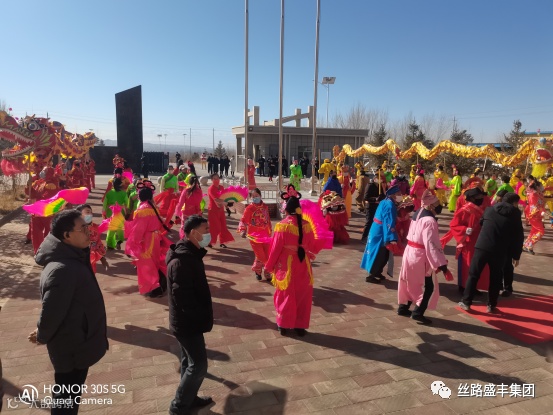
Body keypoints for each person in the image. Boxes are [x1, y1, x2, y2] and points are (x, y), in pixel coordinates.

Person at [29, 209, 108, 413]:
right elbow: (51, 312)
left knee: (69, 397)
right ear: (66, 235)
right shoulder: (62, 269)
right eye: (83, 228)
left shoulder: (72, 257)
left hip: (77, 343)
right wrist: (41, 334)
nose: (89, 232)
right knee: (66, 400)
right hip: (72, 349)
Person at [166, 215, 214, 415]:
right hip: (187, 323)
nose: (209, 234)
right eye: (205, 230)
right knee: (199, 365)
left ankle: (189, 398)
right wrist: (199, 317)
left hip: (188, 320)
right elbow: (183, 298)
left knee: (188, 362)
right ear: (193, 233)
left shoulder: (191, 254)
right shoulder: (182, 262)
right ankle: (178, 406)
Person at [264, 187, 317, 336]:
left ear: (286, 210)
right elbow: (312, 245)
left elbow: (275, 249)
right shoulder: (307, 225)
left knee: (285, 295)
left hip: (286, 265)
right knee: (303, 295)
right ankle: (300, 326)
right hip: (303, 263)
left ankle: (284, 324)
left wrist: (269, 266)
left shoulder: (282, 226)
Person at [459, 193, 524, 313]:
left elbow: (482, 223)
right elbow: (518, 236)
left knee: (473, 275)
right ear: (514, 203)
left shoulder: (489, 210)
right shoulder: (515, 214)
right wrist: (516, 255)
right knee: (495, 277)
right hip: (500, 249)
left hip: (483, 246)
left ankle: (466, 302)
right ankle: (491, 305)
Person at [397, 191, 453, 324]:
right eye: (437, 204)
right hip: (420, 255)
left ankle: (403, 308)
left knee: (408, 280)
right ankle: (418, 312)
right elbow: (431, 244)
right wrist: (442, 265)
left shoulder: (418, 213)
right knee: (428, 286)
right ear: (430, 205)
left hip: (410, 251)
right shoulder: (430, 221)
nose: (439, 206)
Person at [125, 185, 170, 298]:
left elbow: (138, 229)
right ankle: (161, 285)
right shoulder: (152, 207)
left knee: (147, 264)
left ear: (140, 197)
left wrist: (133, 244)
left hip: (147, 240)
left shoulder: (142, 210)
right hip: (155, 237)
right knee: (154, 262)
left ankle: (155, 288)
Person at [441, 188, 489, 292]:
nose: (481, 198)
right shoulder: (464, 210)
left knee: (478, 264)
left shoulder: (481, 209)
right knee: (467, 264)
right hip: (467, 242)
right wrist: (465, 230)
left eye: (482, 196)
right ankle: (464, 286)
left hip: (479, 240)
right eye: (479, 197)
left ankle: (474, 286)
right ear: (472, 198)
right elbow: (454, 225)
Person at [361, 185, 402, 284]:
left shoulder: (385, 201)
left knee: (384, 254)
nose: (400, 196)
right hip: (381, 232)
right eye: (399, 194)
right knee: (379, 254)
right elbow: (388, 222)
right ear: (393, 195)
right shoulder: (390, 205)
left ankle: (377, 272)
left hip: (377, 229)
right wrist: (391, 238)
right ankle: (371, 275)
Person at [238, 188, 273, 281]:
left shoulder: (265, 206)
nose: (255, 198)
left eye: (256, 195)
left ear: (260, 196)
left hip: (266, 235)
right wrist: (242, 230)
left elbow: (268, 219)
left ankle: (262, 271)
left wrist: (270, 230)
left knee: (267, 254)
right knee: (261, 255)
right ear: (250, 198)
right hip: (254, 236)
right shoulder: (249, 208)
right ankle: (267, 269)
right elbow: (243, 220)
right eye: (253, 196)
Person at [76, 204, 109, 273]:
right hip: (77, 261)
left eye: (91, 212)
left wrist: (103, 259)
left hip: (91, 261)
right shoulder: (74, 229)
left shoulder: (95, 227)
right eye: (87, 212)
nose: (90, 214)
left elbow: (98, 243)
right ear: (79, 215)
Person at [207, 174, 235, 248]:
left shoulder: (221, 187)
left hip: (221, 210)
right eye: (214, 179)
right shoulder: (211, 189)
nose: (216, 180)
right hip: (213, 210)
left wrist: (227, 208)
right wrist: (227, 204)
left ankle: (222, 242)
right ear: (212, 180)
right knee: (215, 227)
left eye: (217, 178)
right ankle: (210, 241)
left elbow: (224, 198)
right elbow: (216, 199)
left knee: (223, 226)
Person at [102, 178, 128, 249]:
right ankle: (119, 241)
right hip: (120, 213)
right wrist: (126, 212)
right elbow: (127, 204)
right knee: (120, 229)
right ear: (121, 184)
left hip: (110, 212)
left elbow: (104, 204)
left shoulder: (109, 193)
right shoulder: (124, 193)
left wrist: (104, 212)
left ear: (113, 185)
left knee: (111, 229)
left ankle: (110, 245)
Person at [522, 178, 546, 255]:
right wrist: (542, 212)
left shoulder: (539, 194)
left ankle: (525, 245)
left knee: (534, 231)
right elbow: (533, 207)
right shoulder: (533, 195)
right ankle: (530, 245)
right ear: (537, 187)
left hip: (538, 215)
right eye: (541, 186)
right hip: (534, 215)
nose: (542, 187)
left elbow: (541, 204)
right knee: (541, 231)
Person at [360, 173, 385, 242]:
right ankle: (364, 237)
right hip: (370, 206)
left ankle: (373, 236)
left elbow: (383, 195)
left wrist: (382, 196)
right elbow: (366, 197)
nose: (380, 180)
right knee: (369, 221)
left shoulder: (379, 186)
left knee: (376, 221)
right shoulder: (370, 185)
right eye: (379, 178)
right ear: (375, 179)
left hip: (377, 206)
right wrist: (375, 199)